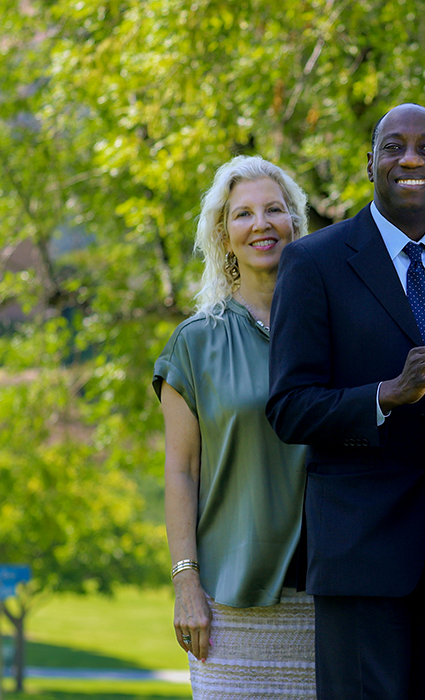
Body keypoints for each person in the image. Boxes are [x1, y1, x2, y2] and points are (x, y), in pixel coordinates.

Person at [265, 103, 425, 700]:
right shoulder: (313, 263)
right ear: (369, 162)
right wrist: (384, 396)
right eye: (394, 147)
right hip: (361, 556)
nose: (411, 160)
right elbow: (290, 407)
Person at [155, 155, 315, 698]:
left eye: (274, 209)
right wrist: (186, 583)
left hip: (328, 596)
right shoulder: (194, 343)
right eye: (243, 214)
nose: (261, 224)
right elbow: (181, 471)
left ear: (295, 221)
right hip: (229, 604)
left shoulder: (331, 328)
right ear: (224, 235)